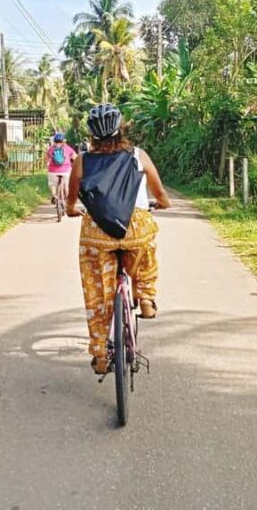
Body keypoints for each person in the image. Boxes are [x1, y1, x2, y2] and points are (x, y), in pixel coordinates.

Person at [67, 104, 171, 375]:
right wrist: (162, 203)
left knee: (98, 293)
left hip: (97, 233)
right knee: (146, 254)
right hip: (134, 228)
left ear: (91, 134)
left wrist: (70, 211)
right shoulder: (138, 155)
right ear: (120, 129)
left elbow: (71, 199)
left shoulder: (82, 160)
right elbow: (160, 194)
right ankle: (146, 298)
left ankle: (101, 355)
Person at [45, 133, 77, 203]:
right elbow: (75, 158)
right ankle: (69, 200)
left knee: (52, 184)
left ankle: (54, 196)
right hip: (66, 170)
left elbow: (47, 159)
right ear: (63, 141)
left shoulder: (51, 149)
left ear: (54, 141)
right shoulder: (68, 148)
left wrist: (47, 164)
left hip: (53, 171)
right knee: (67, 185)